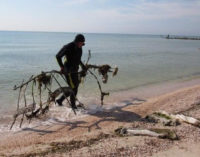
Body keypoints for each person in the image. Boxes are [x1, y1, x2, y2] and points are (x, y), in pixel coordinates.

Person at [55, 34, 86, 109]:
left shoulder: (80, 48)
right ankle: (73, 106)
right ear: (77, 42)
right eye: (81, 43)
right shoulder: (68, 47)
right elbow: (58, 56)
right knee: (73, 88)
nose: (82, 45)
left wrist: (82, 66)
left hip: (75, 70)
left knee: (74, 87)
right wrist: (62, 67)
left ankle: (60, 100)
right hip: (68, 71)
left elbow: (78, 59)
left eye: (83, 44)